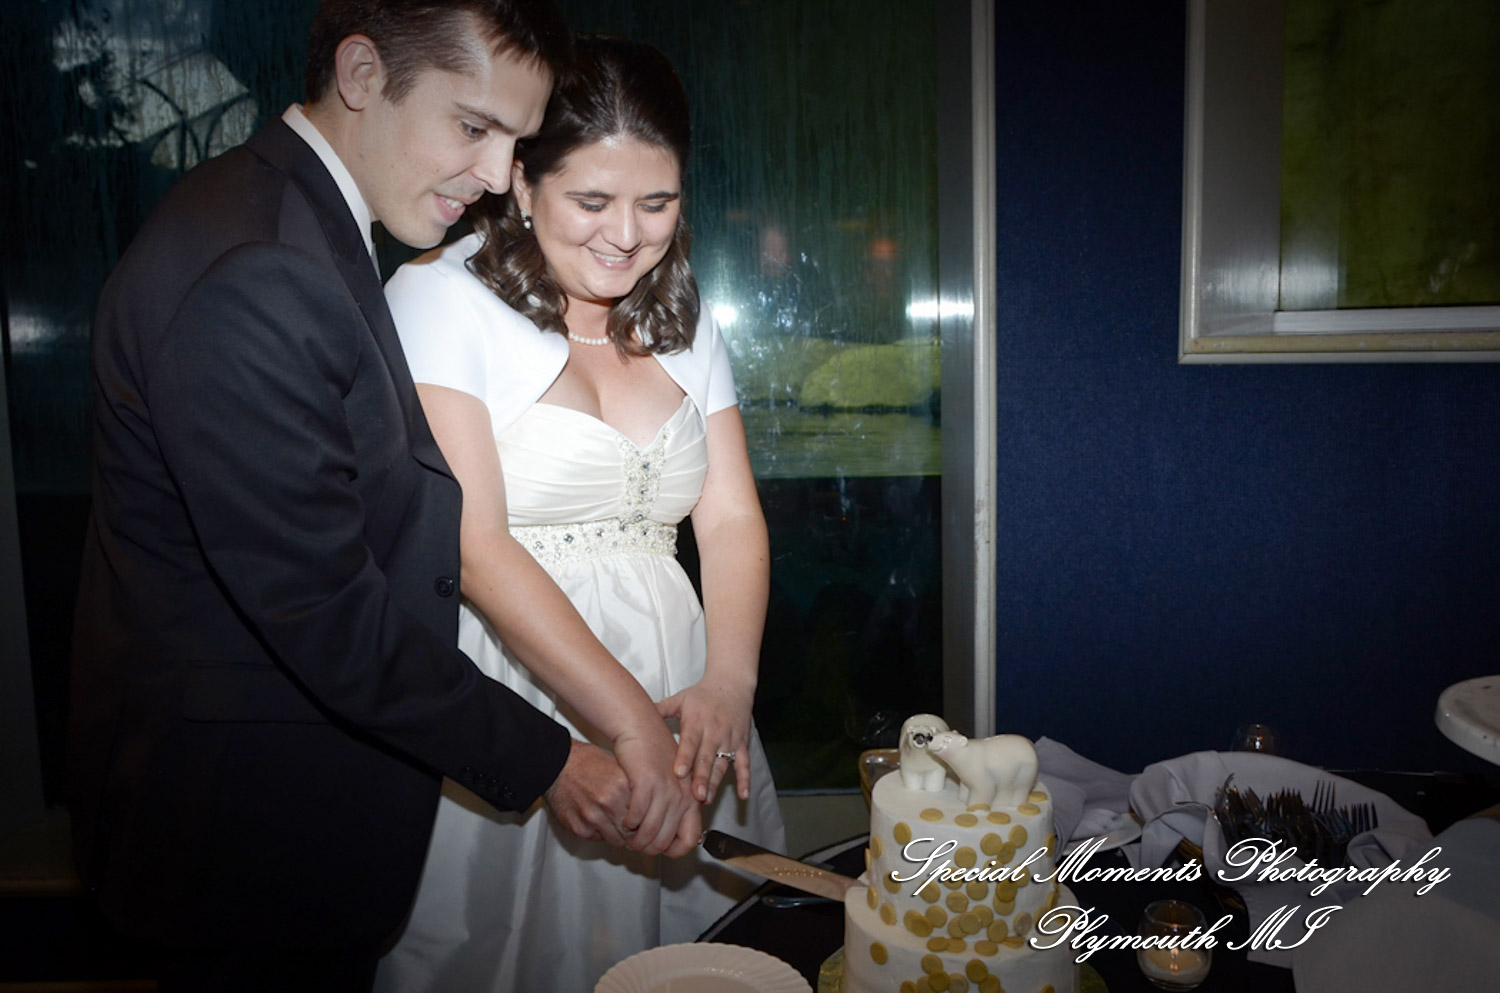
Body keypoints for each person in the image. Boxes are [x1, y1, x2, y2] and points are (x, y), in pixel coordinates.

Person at [66, 4, 699, 991]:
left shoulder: (291, 219)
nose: (497, 178)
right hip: (244, 840)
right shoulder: (258, 263)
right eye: (473, 127)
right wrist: (552, 761)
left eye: (515, 143)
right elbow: (322, 611)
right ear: (362, 74)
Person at [373, 35, 787, 993]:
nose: (627, 236)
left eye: (658, 202)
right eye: (591, 201)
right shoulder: (440, 299)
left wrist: (728, 680)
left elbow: (727, 517)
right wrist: (626, 724)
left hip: (684, 692)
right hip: (524, 689)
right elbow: (473, 545)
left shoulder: (686, 316)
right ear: (521, 183)